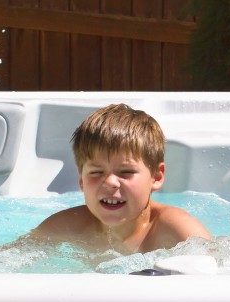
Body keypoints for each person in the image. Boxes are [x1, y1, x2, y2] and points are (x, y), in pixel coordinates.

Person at [29, 103, 211, 254]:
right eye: (96, 173)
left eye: (125, 172)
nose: (109, 182)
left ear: (156, 176)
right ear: (81, 181)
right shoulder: (66, 227)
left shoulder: (178, 232)